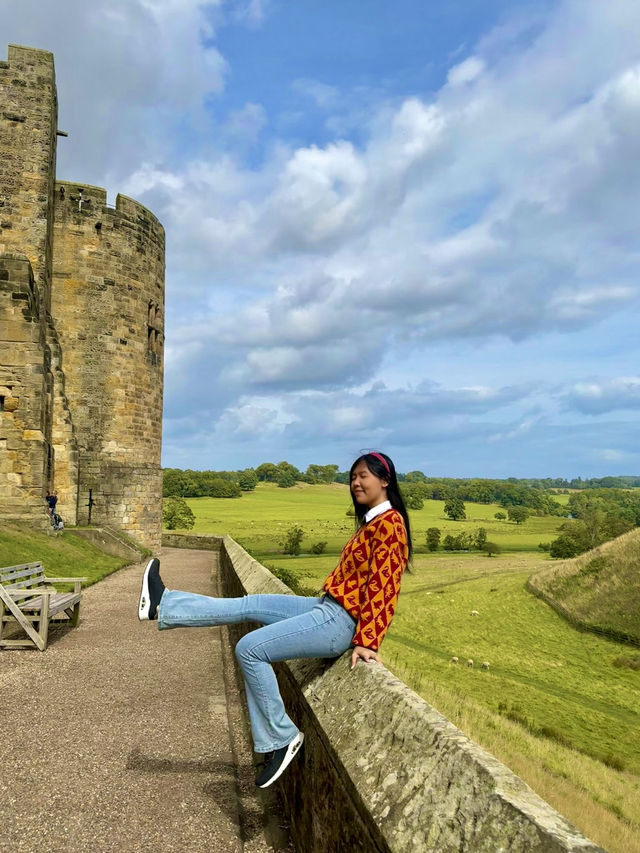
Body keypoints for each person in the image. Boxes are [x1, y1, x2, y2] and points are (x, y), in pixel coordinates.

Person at [138, 451, 411, 788]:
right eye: (352, 477)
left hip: (339, 622)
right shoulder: (372, 521)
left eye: (363, 476)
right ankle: (164, 605)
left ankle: (281, 739)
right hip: (324, 606)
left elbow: (385, 587)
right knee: (250, 603)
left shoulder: (391, 525)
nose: (355, 483)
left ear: (385, 480)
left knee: (250, 648)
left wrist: (368, 641)